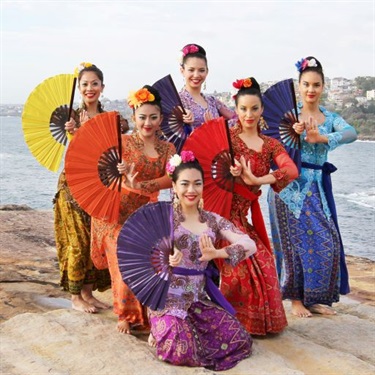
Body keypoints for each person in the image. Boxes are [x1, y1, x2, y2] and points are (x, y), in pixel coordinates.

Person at [148, 151, 255, 371]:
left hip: (197, 300)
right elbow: (142, 259)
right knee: (180, 349)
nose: (191, 190)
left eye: (197, 184)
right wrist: (164, 259)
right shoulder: (163, 218)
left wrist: (218, 254)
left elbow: (249, 245)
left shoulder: (212, 220)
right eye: (185, 184)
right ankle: (159, 329)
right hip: (166, 302)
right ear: (174, 187)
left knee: (239, 338)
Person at [268, 56, 358, 318]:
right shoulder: (290, 115)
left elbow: (351, 132)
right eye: (306, 84)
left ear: (323, 86)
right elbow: (269, 140)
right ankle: (295, 298)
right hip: (289, 185)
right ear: (299, 85)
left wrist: (322, 137)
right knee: (291, 243)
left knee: (327, 240)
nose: (311, 89)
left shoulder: (329, 118)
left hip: (317, 185)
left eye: (316, 84)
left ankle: (315, 298)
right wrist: (290, 132)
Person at [213, 77, 299, 335]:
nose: (248, 114)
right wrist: (229, 172)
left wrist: (258, 179)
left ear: (261, 110)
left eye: (254, 108)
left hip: (243, 217)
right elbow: (205, 168)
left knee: (265, 262)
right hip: (221, 214)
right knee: (244, 264)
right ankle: (232, 318)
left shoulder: (271, 144)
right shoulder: (225, 138)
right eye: (243, 109)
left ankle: (257, 322)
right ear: (235, 109)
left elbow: (291, 170)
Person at [90, 85, 176, 333]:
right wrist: (117, 173)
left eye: (153, 117)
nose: (147, 123)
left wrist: (141, 185)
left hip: (146, 214)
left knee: (156, 253)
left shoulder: (168, 149)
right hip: (115, 213)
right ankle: (125, 313)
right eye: (142, 117)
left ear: (160, 120)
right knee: (123, 247)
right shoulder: (122, 143)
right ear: (133, 118)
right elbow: (101, 173)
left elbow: (172, 178)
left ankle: (152, 310)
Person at [53, 62, 112, 313]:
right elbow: (77, 153)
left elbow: (110, 153)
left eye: (94, 83)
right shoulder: (71, 118)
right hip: (73, 184)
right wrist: (76, 132)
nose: (90, 88)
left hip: (97, 186)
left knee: (92, 241)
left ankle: (88, 294)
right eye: (85, 84)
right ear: (79, 88)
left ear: (102, 87)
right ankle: (75, 296)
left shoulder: (110, 120)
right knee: (76, 240)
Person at [179, 43, 237, 129]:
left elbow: (236, 119)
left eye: (201, 70)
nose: (196, 75)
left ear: (207, 72)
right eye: (191, 70)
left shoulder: (212, 101)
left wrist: (217, 125)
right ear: (182, 71)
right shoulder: (178, 101)